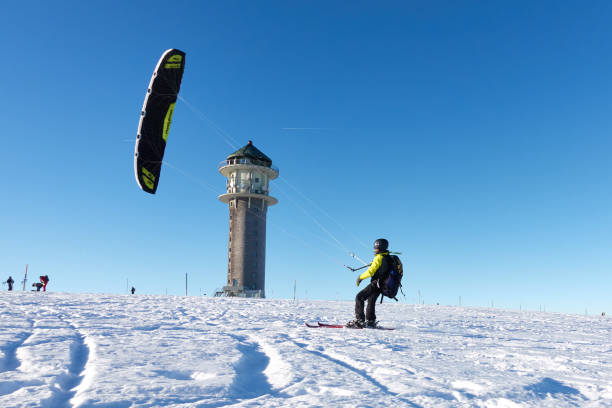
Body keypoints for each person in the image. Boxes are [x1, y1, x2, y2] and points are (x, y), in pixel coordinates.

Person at [347, 238, 392, 328]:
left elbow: (370, 272)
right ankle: (371, 321)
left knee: (359, 297)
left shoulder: (379, 258)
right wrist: (375, 263)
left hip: (377, 283)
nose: (375, 250)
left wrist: (360, 277)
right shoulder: (387, 257)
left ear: (380, 248)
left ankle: (359, 321)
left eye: (376, 248)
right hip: (382, 285)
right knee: (371, 300)